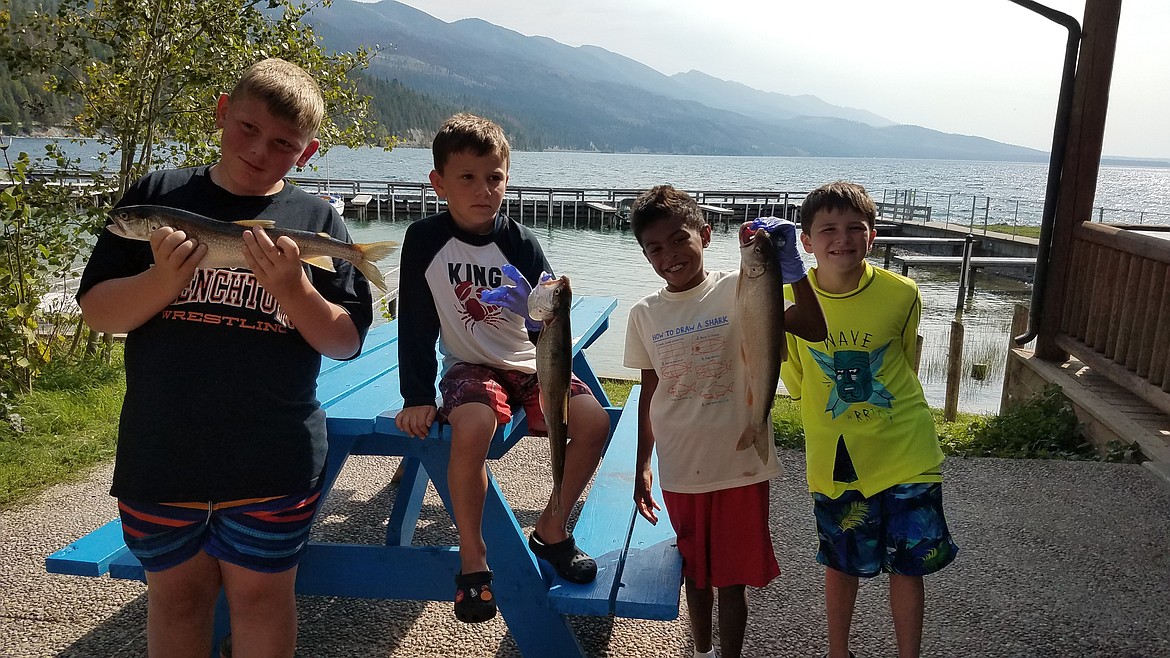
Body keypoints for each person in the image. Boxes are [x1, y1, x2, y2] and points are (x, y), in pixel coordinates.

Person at [76, 58, 374, 658]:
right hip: (162, 454)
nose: (260, 150)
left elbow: (344, 340)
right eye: (247, 128)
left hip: (274, 459)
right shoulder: (156, 199)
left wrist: (294, 290)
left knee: (263, 603)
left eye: (283, 143)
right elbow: (99, 311)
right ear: (221, 111)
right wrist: (163, 280)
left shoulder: (316, 222)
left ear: (307, 152)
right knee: (177, 599)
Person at [393, 112, 610, 624]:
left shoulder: (522, 242)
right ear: (438, 183)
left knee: (595, 422)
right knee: (472, 427)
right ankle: (473, 558)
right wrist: (417, 395)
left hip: (532, 366)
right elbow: (416, 323)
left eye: (495, 177)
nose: (483, 189)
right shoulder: (424, 240)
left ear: (507, 179)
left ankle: (552, 527)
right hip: (470, 363)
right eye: (468, 177)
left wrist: (537, 310)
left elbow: (550, 325)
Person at [623, 185, 827, 658]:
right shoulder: (644, 314)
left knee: (732, 581)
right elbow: (649, 392)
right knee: (695, 574)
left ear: (706, 235)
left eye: (679, 240)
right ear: (645, 254)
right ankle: (700, 652)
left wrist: (794, 272)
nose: (669, 255)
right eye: (655, 248)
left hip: (740, 465)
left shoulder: (743, 287)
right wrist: (643, 465)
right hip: (680, 466)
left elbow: (814, 327)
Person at [781, 181, 959, 658]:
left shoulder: (902, 292)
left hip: (907, 449)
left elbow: (903, 361)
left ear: (872, 236)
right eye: (828, 230)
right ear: (806, 241)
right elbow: (796, 382)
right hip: (837, 460)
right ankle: (838, 651)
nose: (842, 239)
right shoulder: (785, 301)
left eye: (855, 228)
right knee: (840, 564)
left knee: (909, 567)